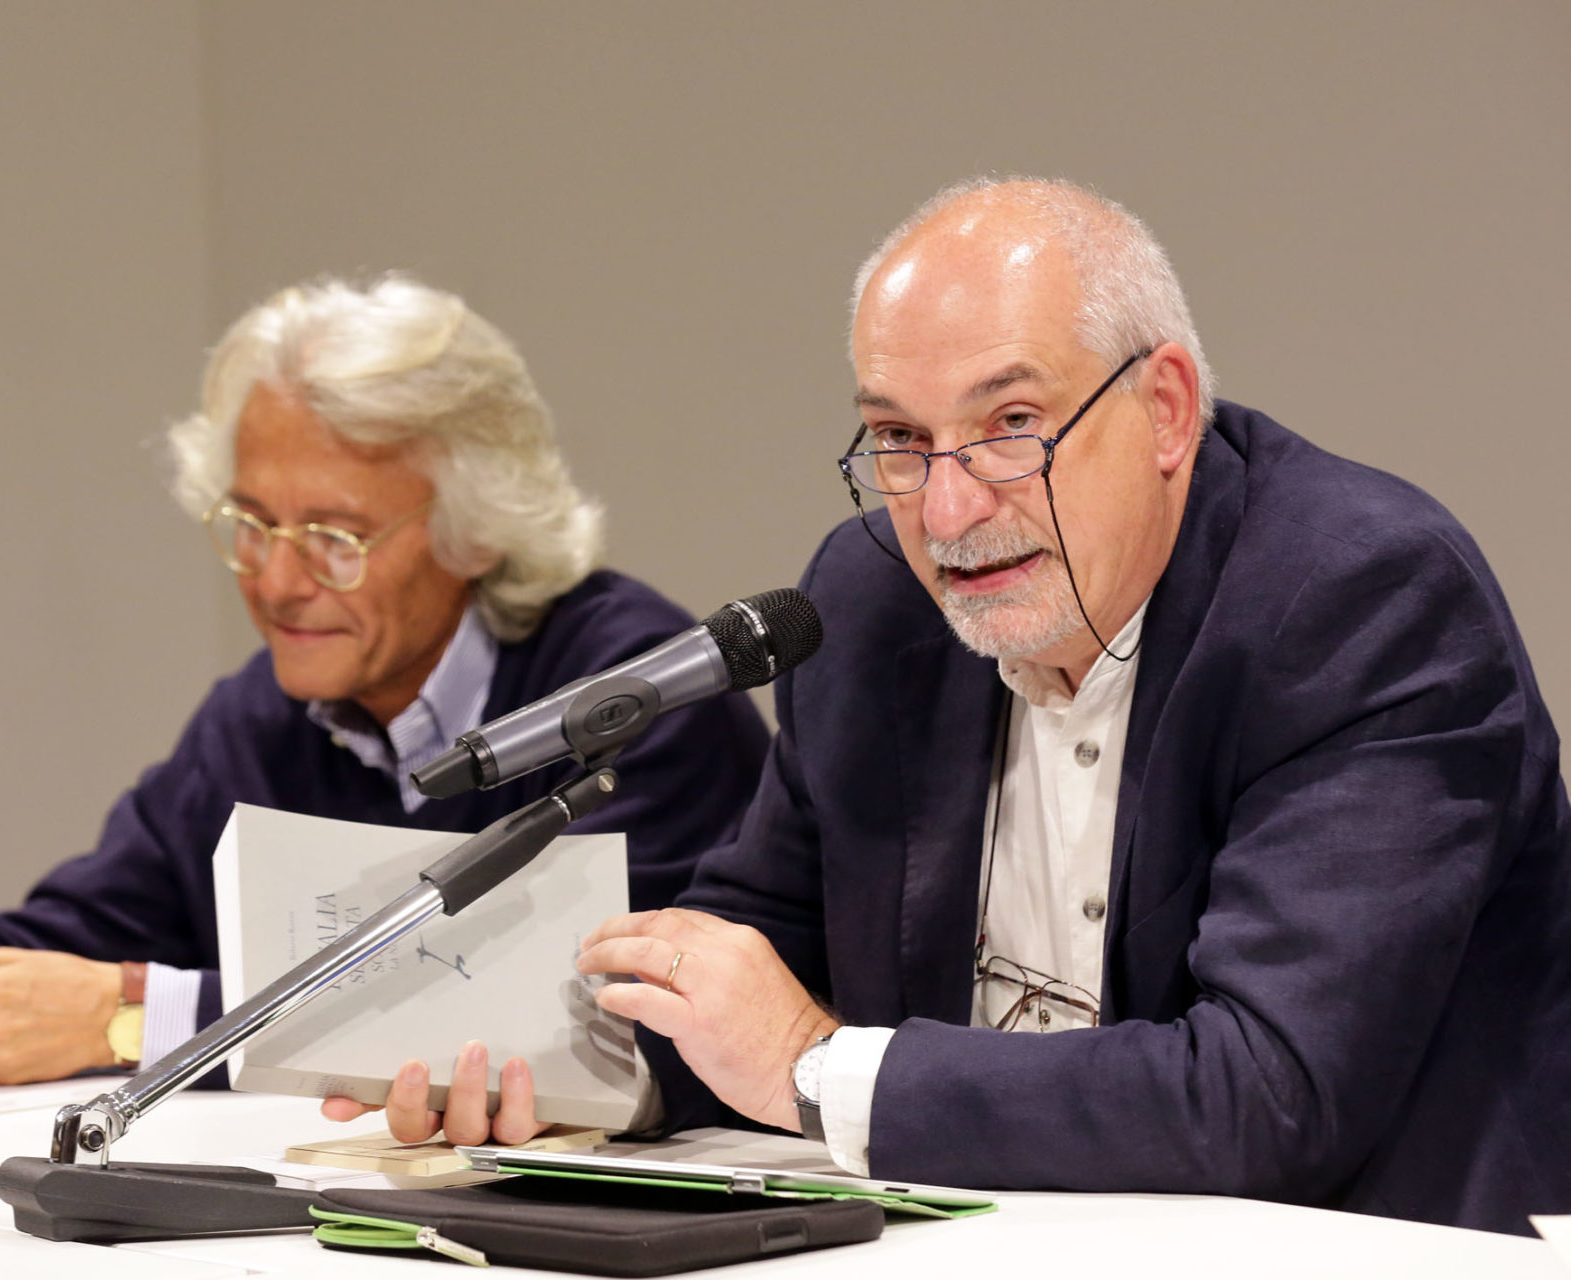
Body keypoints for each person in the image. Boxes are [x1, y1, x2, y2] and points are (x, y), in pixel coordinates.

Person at [381, 179, 1571, 1236]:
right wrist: (566, 1072)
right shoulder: (874, 602)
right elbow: (759, 947)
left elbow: (1271, 1092)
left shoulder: (1358, 597)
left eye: (1011, 426)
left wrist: (813, 1061)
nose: (947, 512)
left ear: (1164, 409)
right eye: (900, 438)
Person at [0, 274, 771, 1088]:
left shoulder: (634, 691)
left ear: (476, 529)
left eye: (332, 535)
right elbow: (79, 932)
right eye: (249, 522)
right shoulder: (265, 716)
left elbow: (590, 1026)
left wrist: (141, 1019)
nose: (277, 580)